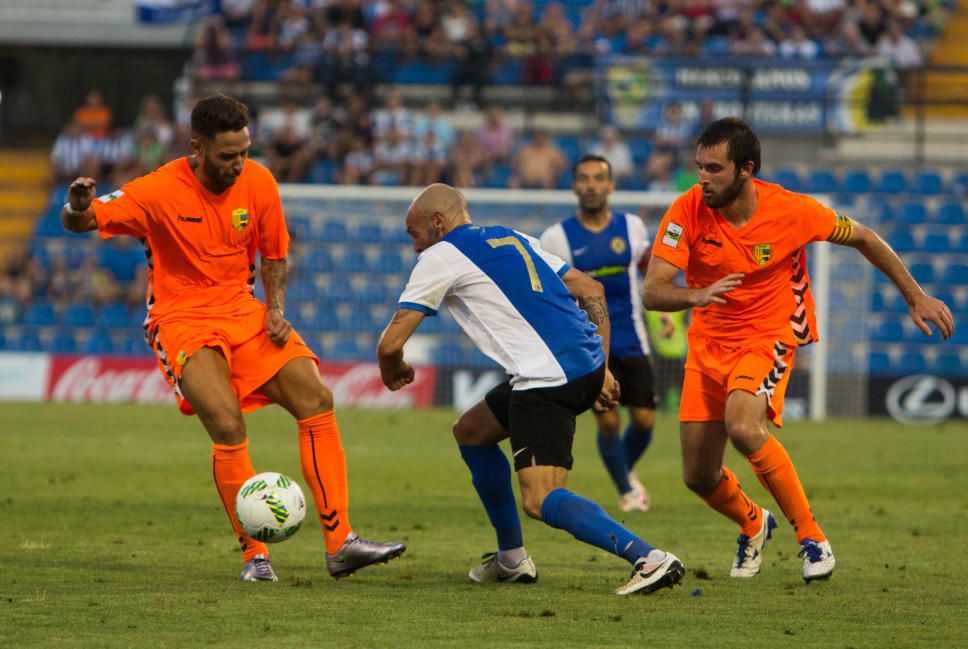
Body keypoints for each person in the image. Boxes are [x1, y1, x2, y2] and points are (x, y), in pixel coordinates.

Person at [62, 93, 404, 583]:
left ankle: (341, 543)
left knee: (317, 397)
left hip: (243, 311)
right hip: (181, 318)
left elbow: (275, 256)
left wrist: (278, 309)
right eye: (228, 155)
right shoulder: (158, 190)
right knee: (226, 424)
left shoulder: (259, 181)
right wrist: (75, 206)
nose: (239, 163)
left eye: (244, 151)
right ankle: (255, 557)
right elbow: (83, 220)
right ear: (196, 148)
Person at [642, 117, 954, 582]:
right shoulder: (686, 210)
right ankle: (753, 521)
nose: (702, 178)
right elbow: (652, 291)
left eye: (714, 169)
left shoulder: (793, 210)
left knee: (744, 426)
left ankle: (811, 538)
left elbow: (865, 238)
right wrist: (695, 296)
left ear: (746, 169)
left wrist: (915, 295)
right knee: (698, 477)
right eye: (699, 167)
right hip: (708, 344)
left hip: (769, 333)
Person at [377, 183, 685, 596]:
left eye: (413, 233)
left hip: (547, 377)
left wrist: (392, 366)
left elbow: (390, 343)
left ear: (437, 222)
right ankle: (511, 559)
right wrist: (602, 369)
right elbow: (591, 289)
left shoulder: (440, 256)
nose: (413, 244)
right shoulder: (512, 236)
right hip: (585, 363)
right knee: (471, 432)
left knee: (541, 498)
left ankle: (649, 558)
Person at [539, 155, 660, 513]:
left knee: (644, 421)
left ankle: (624, 469)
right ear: (574, 186)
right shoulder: (556, 237)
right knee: (609, 421)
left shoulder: (632, 227)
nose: (591, 185)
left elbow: (648, 267)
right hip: (591, 345)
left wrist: (664, 316)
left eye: (598, 178)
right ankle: (626, 489)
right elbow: (550, 293)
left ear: (611, 186)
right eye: (583, 178)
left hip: (633, 337)